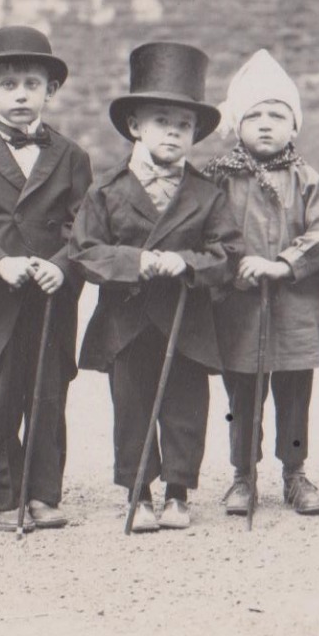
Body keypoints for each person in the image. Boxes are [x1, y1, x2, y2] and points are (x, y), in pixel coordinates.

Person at [71, 42, 242, 533]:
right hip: (127, 320)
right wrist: (138, 261)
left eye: (184, 125)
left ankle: (178, 493)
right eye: (161, 120)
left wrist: (184, 263)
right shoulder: (106, 191)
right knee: (132, 405)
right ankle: (139, 490)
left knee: (186, 408)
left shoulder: (207, 195)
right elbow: (84, 251)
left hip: (186, 321)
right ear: (134, 127)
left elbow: (227, 254)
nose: (173, 131)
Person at [0, 26, 93, 532]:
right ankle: (6, 495)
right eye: (8, 84)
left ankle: (44, 493)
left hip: (51, 292)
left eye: (32, 83)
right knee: (3, 392)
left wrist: (62, 265)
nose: (21, 94)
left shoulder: (71, 156)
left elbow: (84, 225)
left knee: (50, 392)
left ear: (51, 90)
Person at [205, 49, 319, 518]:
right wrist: (237, 264)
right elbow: (208, 232)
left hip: (296, 305)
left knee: (294, 393)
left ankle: (295, 472)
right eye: (254, 115)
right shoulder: (217, 179)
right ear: (236, 123)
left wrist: (283, 263)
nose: (265, 124)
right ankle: (243, 475)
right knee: (243, 393)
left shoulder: (309, 180)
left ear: (294, 125)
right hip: (240, 305)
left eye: (277, 115)